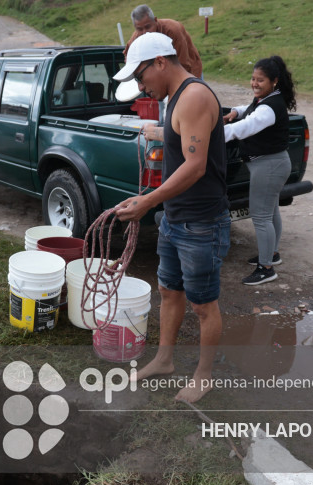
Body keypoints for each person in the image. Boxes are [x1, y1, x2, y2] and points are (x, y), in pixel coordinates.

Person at [114, 33, 230, 403]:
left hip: (201, 221)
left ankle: (204, 374)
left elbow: (195, 166)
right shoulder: (173, 100)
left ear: (161, 62)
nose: (140, 85)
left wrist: (148, 201)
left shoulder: (194, 96)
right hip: (175, 216)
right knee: (168, 291)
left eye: (141, 75)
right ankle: (164, 359)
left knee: (203, 304)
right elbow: (184, 144)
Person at [223, 55, 296, 286]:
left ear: (274, 81)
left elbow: (248, 126)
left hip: (269, 166)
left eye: (260, 80)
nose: (254, 83)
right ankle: (272, 254)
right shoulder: (269, 99)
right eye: (253, 78)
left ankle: (266, 268)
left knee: (261, 216)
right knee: (271, 211)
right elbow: (250, 110)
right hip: (273, 164)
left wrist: (214, 134)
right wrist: (235, 110)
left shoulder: (270, 107)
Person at [123, 5, 202, 78]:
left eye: (148, 27)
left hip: (190, 71)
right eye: (140, 29)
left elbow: (183, 63)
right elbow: (128, 56)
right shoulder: (136, 37)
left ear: (155, 20)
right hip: (162, 78)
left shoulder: (173, 30)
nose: (145, 32)